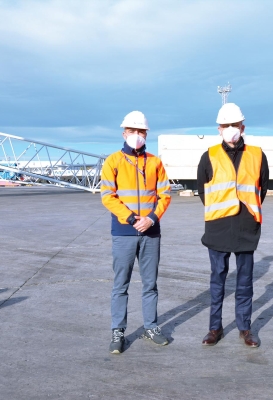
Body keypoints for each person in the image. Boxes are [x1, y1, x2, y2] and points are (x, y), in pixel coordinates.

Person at [196, 103, 269, 348]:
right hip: (218, 226)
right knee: (218, 280)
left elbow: (263, 188)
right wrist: (221, 208)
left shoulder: (257, 154)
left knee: (245, 281)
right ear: (219, 129)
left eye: (235, 125)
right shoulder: (209, 155)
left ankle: (245, 328)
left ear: (243, 127)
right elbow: (202, 190)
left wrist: (247, 210)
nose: (231, 129)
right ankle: (214, 328)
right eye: (226, 125)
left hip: (246, 225)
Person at [100, 111, 172, 354]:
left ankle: (151, 326)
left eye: (141, 131)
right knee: (121, 284)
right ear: (124, 133)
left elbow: (165, 195)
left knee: (150, 284)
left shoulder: (155, 162)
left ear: (146, 134)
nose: (137, 135)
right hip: (124, 232)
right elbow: (107, 196)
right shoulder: (113, 161)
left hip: (151, 232)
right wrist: (131, 218)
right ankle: (118, 330)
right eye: (133, 131)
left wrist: (151, 219)